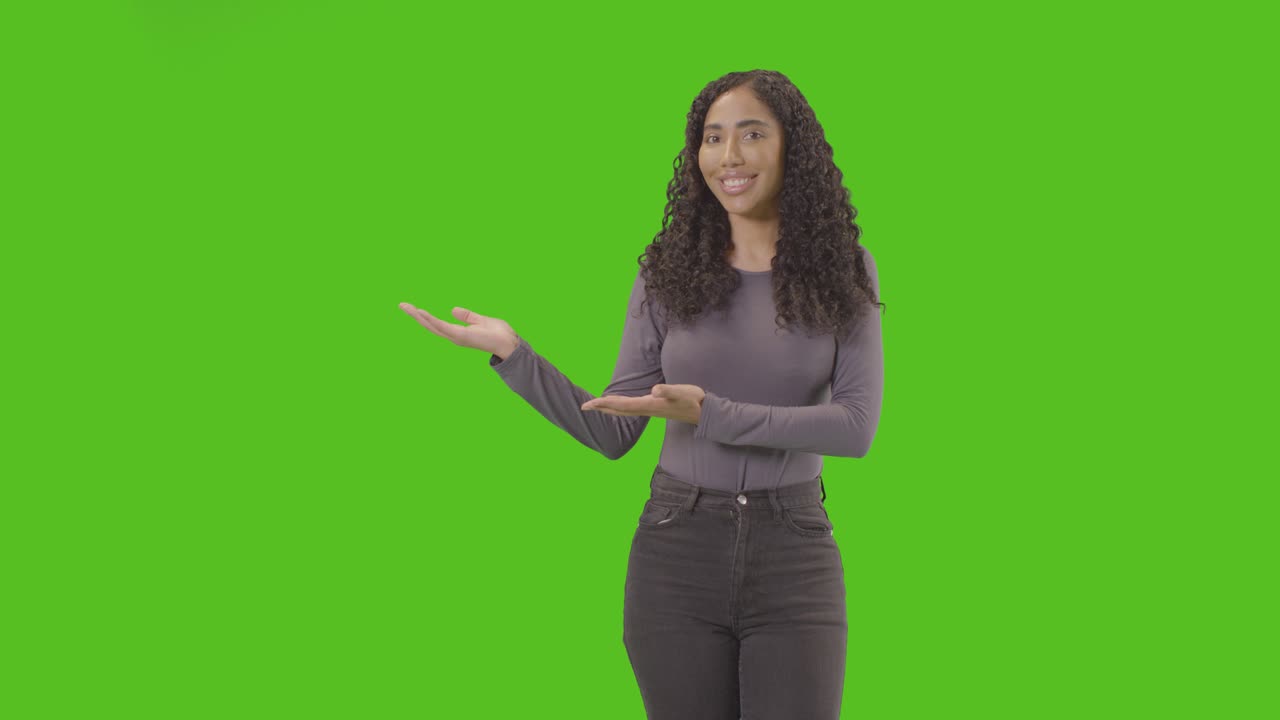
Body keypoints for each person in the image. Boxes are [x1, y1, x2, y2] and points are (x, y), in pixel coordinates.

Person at [399, 69, 884, 720]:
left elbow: (854, 427)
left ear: (791, 148)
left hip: (793, 553)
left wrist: (709, 414)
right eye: (712, 137)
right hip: (676, 550)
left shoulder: (844, 270)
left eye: (751, 134)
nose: (729, 156)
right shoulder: (667, 272)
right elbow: (613, 430)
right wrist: (514, 355)